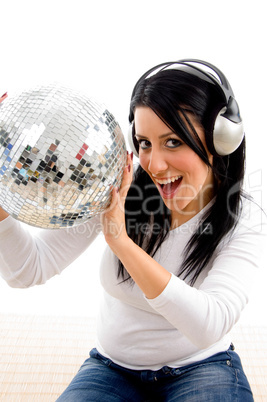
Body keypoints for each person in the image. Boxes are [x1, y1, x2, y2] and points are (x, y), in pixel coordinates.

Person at [0, 59, 266, 401]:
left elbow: (209, 325)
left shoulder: (242, 218)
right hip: (111, 369)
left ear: (221, 139)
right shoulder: (117, 185)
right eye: (144, 143)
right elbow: (28, 270)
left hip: (204, 367)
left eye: (173, 142)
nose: (154, 164)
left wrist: (123, 243)